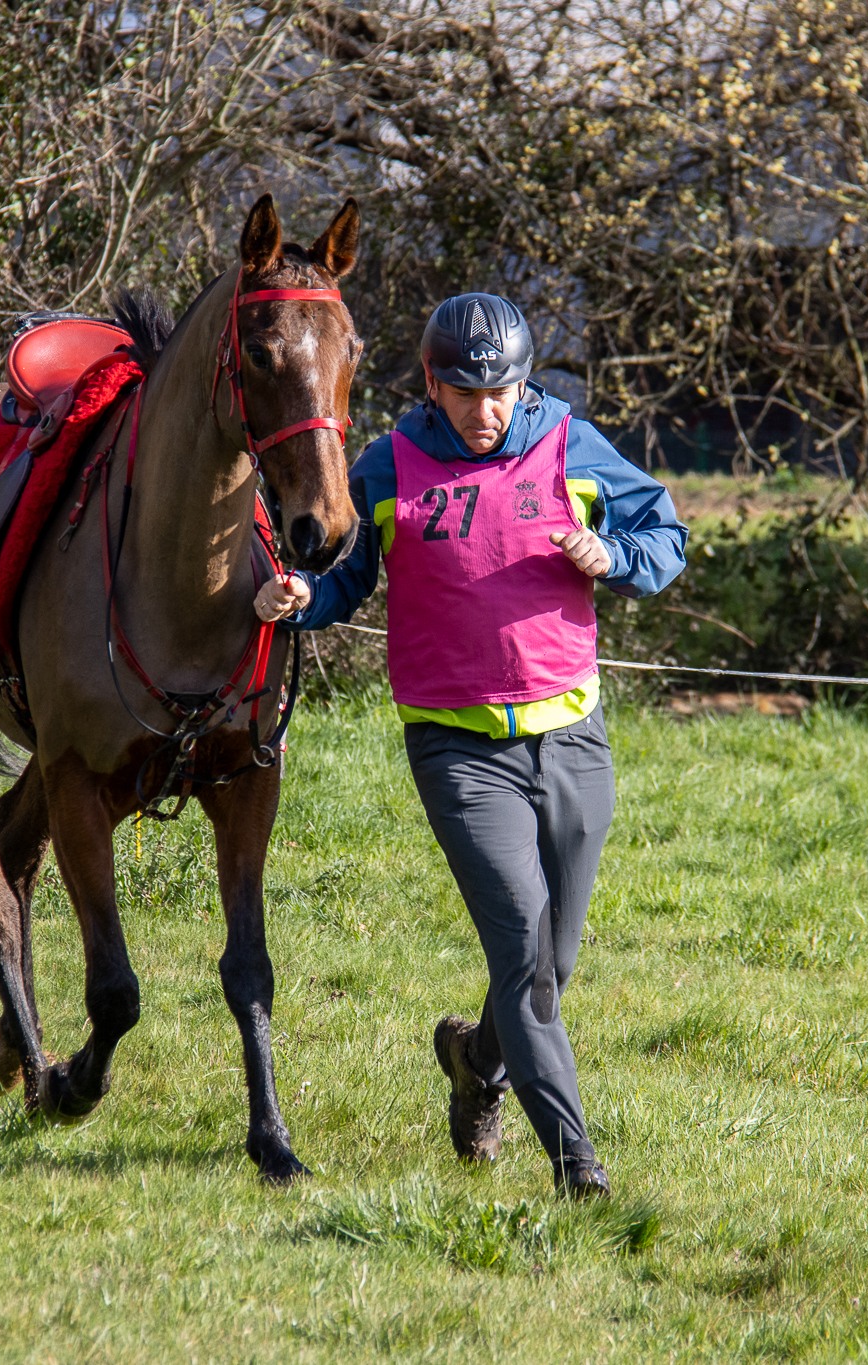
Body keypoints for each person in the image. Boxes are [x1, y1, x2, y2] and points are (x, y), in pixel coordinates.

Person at [254, 293, 687, 1196]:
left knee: (554, 960)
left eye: (502, 391)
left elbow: (665, 535)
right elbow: (345, 582)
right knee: (525, 958)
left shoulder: (569, 443)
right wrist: (303, 599)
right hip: (457, 752)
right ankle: (576, 1166)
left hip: (573, 739)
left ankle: (476, 1064)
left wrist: (612, 556)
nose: (486, 410)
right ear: (431, 382)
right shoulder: (386, 466)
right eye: (466, 392)